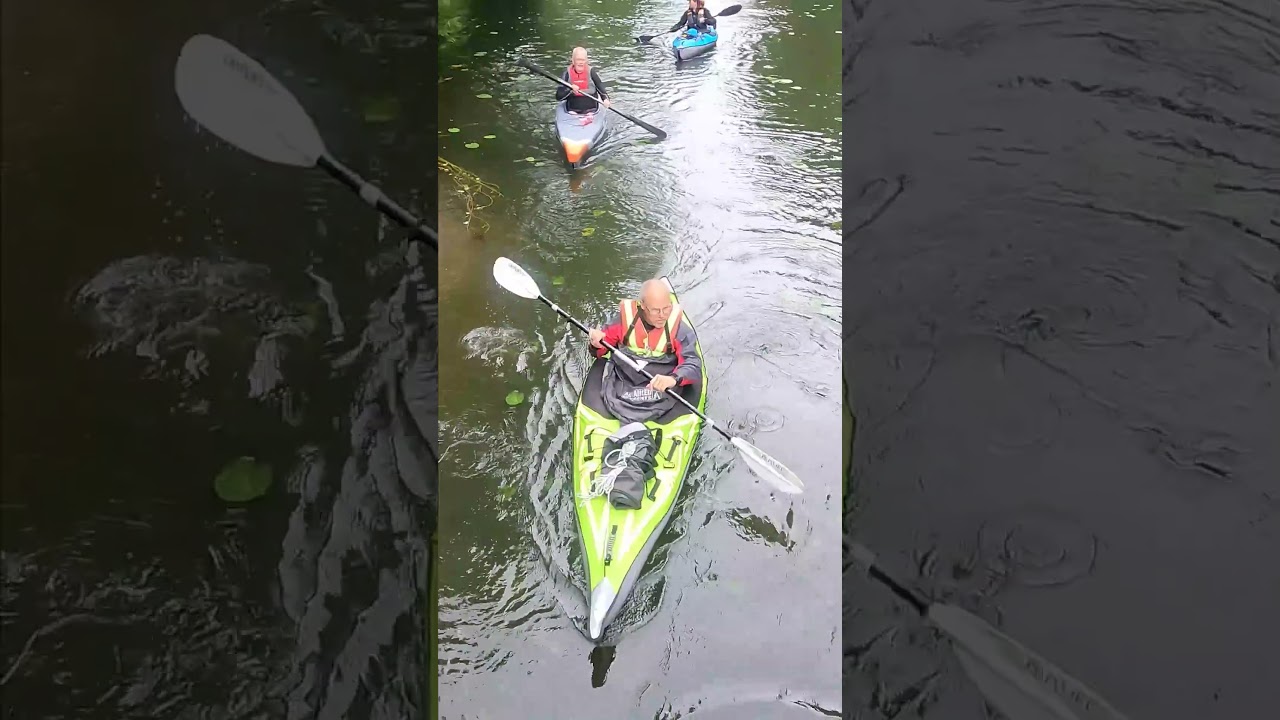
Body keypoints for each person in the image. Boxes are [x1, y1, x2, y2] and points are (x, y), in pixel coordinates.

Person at [588, 279, 704, 424]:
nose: (662, 315)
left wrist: (673, 379)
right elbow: (599, 351)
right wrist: (596, 344)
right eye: (656, 310)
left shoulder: (679, 329)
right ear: (642, 305)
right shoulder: (623, 321)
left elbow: (692, 365)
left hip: (661, 384)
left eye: (666, 308)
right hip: (625, 380)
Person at [556, 47, 612, 114]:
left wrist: (605, 99)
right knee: (572, 112)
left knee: (590, 113)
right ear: (573, 61)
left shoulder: (591, 72)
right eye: (578, 60)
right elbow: (558, 96)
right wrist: (570, 90)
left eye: (583, 60)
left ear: (586, 61)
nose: (581, 62)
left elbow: (601, 89)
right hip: (572, 110)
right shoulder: (566, 73)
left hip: (591, 110)